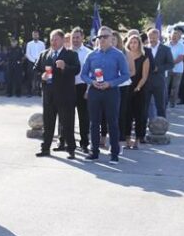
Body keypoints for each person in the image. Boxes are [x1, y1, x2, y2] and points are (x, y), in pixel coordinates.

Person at [81, 26, 130, 163]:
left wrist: (111, 83)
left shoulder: (118, 54)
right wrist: (92, 82)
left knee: (112, 123)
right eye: (99, 37)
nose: (101, 39)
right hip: (95, 91)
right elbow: (83, 74)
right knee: (94, 123)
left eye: (105, 37)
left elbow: (126, 75)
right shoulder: (91, 55)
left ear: (111, 38)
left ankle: (114, 153)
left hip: (111, 92)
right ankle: (94, 151)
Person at [34, 29, 80, 159]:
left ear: (62, 40)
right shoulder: (44, 54)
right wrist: (41, 76)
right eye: (51, 39)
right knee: (48, 123)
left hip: (65, 96)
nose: (53, 42)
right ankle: (45, 148)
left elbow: (77, 70)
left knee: (67, 124)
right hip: (49, 96)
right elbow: (35, 70)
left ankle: (71, 149)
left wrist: (65, 67)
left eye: (56, 39)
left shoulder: (70, 54)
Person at [123, 35, 149, 149]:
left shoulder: (144, 58)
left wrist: (137, 87)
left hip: (139, 89)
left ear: (139, 44)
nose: (133, 44)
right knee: (126, 114)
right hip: (126, 88)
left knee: (139, 115)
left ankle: (137, 139)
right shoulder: (125, 57)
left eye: (135, 42)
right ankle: (127, 139)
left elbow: (144, 77)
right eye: (131, 42)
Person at [144, 28, 174, 118]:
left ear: (159, 37)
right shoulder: (144, 49)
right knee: (145, 105)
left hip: (159, 81)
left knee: (160, 105)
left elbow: (171, 64)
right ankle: (145, 124)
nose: (152, 39)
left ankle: (162, 124)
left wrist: (159, 68)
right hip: (146, 81)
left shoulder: (165, 49)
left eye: (154, 38)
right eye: (150, 37)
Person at [167, 27, 184, 108]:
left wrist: (171, 63)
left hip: (178, 70)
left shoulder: (181, 45)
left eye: (176, 35)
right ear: (170, 36)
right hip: (167, 69)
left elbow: (181, 57)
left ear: (179, 37)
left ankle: (172, 103)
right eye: (173, 35)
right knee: (165, 86)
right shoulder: (166, 45)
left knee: (175, 87)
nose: (174, 37)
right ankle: (165, 101)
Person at [24, 30, 45, 97]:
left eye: (36, 35)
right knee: (30, 77)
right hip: (31, 62)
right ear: (32, 35)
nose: (35, 36)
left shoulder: (42, 43)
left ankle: (39, 91)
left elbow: (43, 53)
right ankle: (29, 92)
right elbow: (27, 54)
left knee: (40, 77)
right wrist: (34, 60)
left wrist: (38, 60)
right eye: (34, 35)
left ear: (38, 35)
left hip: (40, 62)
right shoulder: (29, 44)